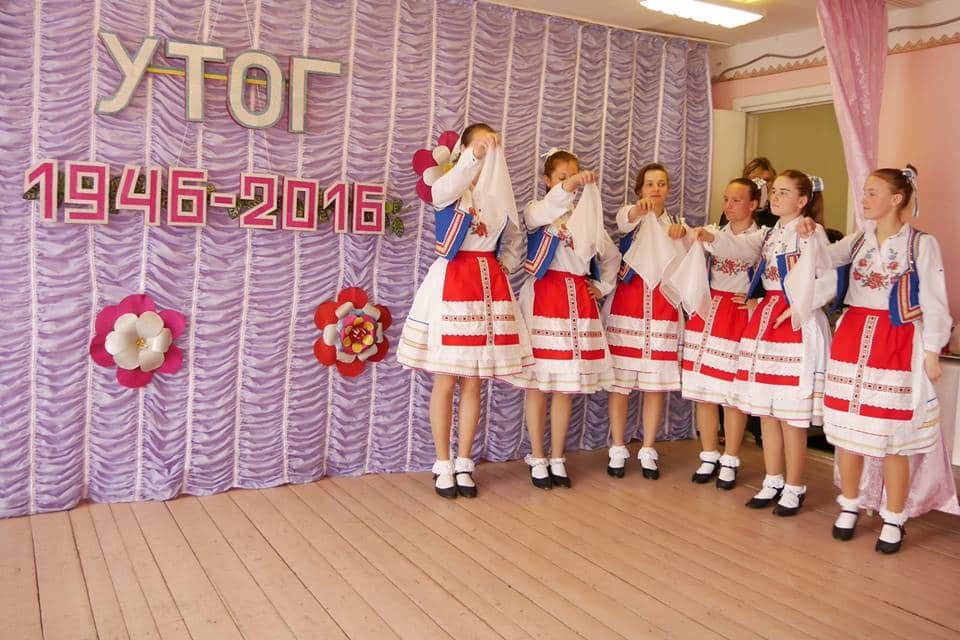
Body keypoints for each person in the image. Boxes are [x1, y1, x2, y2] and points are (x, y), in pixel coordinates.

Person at [799, 165, 958, 553]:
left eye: (873, 192)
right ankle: (850, 503)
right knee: (850, 434)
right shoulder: (858, 240)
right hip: (853, 339)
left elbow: (935, 301)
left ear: (896, 198)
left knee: (892, 438)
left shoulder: (920, 244)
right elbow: (822, 260)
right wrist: (810, 231)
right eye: (865, 191)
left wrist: (932, 352)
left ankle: (894, 516)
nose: (865, 198)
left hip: (896, 341)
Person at [397, 123, 532, 498]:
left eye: (491, 147)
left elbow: (514, 236)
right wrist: (474, 156)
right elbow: (443, 191)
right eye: (480, 146)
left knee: (474, 380)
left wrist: (505, 265)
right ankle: (442, 462)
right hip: (451, 283)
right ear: (464, 150)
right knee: (446, 378)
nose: (488, 153)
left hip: (486, 286)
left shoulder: (497, 195)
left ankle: (464, 461)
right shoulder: (451, 187)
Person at [691, 170, 835, 516]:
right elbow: (742, 251)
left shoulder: (811, 232)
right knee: (767, 410)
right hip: (767, 317)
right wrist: (708, 237)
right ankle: (773, 479)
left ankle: (795, 485)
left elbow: (829, 277)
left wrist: (799, 307)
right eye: (775, 191)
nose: (777, 197)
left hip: (794, 322)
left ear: (803, 200)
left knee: (790, 415)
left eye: (784, 192)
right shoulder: (771, 234)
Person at [504, 149, 619, 489]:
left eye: (573, 176)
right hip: (544, 297)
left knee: (566, 387)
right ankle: (537, 456)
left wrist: (602, 286)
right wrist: (570, 186)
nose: (568, 183)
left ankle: (557, 456)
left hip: (577, 302)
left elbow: (611, 256)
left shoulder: (586, 218)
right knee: (540, 384)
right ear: (547, 180)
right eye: (561, 177)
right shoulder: (537, 210)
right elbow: (551, 205)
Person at [604, 163, 688, 479]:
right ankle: (617, 447)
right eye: (650, 184)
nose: (655, 189)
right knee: (621, 383)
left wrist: (683, 237)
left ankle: (648, 448)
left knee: (655, 385)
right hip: (629, 305)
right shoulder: (632, 216)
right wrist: (638, 210)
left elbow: (685, 263)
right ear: (639, 189)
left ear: (668, 189)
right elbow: (624, 219)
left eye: (661, 184)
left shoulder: (676, 224)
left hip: (663, 309)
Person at [681, 178, 760, 490]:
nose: (729, 205)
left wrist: (756, 300)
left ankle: (730, 458)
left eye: (737, 200)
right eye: (726, 199)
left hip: (736, 315)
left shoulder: (760, 237)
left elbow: (740, 250)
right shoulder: (715, 231)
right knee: (704, 391)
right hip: (709, 311)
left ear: (753, 205)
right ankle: (709, 453)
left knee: (731, 395)